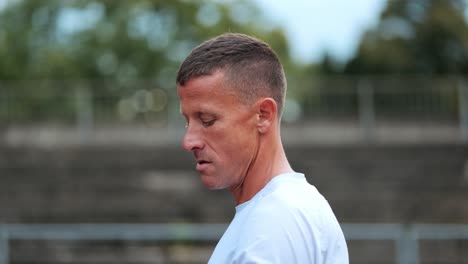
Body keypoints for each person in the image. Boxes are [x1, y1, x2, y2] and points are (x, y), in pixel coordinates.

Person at [176, 33, 348, 263]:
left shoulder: (275, 222)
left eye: (207, 120)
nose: (189, 141)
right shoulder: (284, 210)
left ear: (263, 115)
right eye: (188, 122)